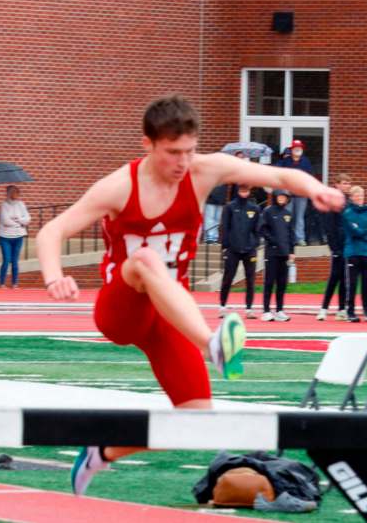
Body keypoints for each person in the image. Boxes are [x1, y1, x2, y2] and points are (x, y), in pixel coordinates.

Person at [36, 95, 344, 496]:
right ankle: (213, 344)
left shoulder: (205, 170)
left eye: (189, 151)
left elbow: (282, 177)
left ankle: (102, 452)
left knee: (197, 422)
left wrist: (317, 188)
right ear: (148, 145)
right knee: (145, 259)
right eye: (172, 153)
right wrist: (53, 276)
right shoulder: (117, 187)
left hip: (169, 312)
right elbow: (51, 231)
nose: (182, 162)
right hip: (123, 306)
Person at [218, 184, 260, 319]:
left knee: (250, 280)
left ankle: (249, 309)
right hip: (233, 249)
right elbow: (225, 227)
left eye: (246, 190)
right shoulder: (230, 207)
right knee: (228, 278)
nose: (244, 193)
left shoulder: (254, 208)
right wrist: (225, 246)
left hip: (249, 249)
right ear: (237, 191)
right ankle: (222, 306)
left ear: (249, 192)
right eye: (241, 191)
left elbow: (257, 229)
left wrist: (255, 243)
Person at [317, 173, 351, 321]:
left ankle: (342, 308)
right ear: (336, 184)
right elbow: (329, 226)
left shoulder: (350, 203)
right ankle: (324, 308)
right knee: (334, 277)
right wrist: (334, 248)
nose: (346, 185)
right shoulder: (333, 202)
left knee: (345, 278)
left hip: (348, 246)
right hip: (337, 247)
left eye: (348, 183)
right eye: (344, 183)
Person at [343, 186, 367, 323]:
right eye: (356, 195)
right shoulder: (348, 213)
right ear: (351, 197)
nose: (359, 198)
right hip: (353, 252)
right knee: (352, 283)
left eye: (361, 195)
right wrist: (365, 231)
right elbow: (353, 231)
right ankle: (350, 312)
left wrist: (363, 231)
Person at [259, 190, 296, 322]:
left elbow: (291, 234)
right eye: (279, 196)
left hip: (285, 254)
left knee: (282, 283)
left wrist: (292, 251)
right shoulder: (268, 211)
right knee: (269, 282)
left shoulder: (288, 214)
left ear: (287, 199)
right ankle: (266, 311)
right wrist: (273, 240)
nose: (281, 199)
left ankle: (280, 310)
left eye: (284, 197)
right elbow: (262, 229)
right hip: (272, 253)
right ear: (275, 197)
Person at [276, 140, 313, 246]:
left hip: (301, 194)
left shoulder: (305, 161)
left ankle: (300, 238)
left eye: (300, 148)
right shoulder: (285, 161)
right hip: (288, 194)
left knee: (300, 217)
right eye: (296, 148)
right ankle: (287, 237)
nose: (298, 150)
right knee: (288, 216)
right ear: (291, 150)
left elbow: (309, 176)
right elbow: (277, 172)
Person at [0, 185, 30, 289]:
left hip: (18, 236)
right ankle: (2, 283)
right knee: (6, 260)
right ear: (8, 193)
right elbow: (5, 221)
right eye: (12, 192)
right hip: (5, 237)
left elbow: (28, 219)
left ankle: (15, 283)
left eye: (16, 192)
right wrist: (19, 222)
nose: (14, 194)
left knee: (15, 261)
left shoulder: (21, 204)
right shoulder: (3, 205)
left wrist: (19, 220)